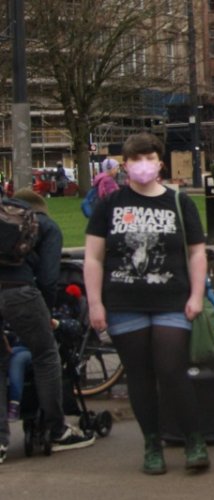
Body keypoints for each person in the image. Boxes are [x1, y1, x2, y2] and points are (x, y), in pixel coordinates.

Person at [84, 132, 208, 474]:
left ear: (159, 163)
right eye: (135, 159)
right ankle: (152, 442)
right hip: (124, 301)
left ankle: (193, 438)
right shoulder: (109, 204)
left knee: (171, 371)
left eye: (148, 158)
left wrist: (196, 295)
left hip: (171, 299)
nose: (142, 165)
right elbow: (93, 257)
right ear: (125, 166)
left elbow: (197, 252)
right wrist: (95, 303)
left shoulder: (180, 202)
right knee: (139, 375)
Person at [0, 188, 88, 465]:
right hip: (20, 292)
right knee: (45, 353)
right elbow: (50, 279)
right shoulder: (46, 226)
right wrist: (46, 312)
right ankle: (56, 429)